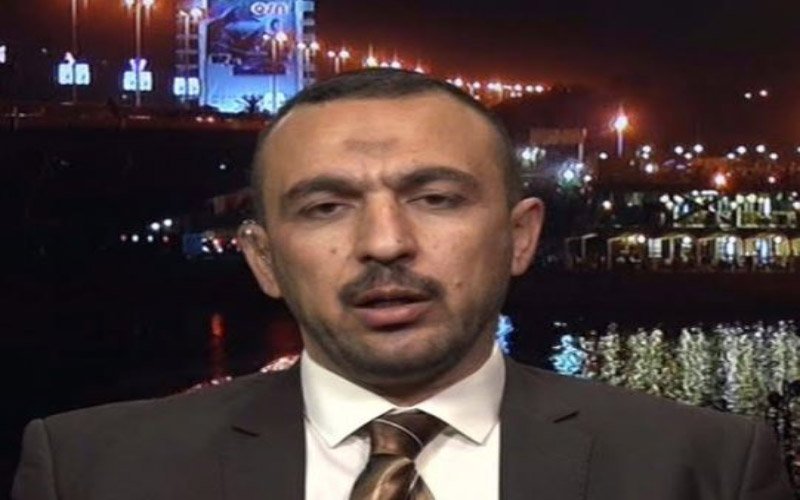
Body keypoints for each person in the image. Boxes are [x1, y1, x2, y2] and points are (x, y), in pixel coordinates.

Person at [13, 69, 793, 499]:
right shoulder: (91, 472)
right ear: (262, 258)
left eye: (436, 198)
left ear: (521, 236)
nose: (385, 243)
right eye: (325, 207)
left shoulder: (705, 469)